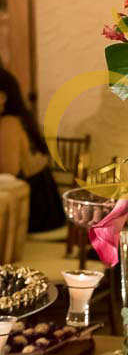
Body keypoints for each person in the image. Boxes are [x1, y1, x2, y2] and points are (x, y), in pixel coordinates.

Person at [0, 66, 65, 232]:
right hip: (47, 206)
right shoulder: (19, 118)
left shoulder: (8, 124)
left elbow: (9, 174)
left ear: (2, 97)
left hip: (35, 211)